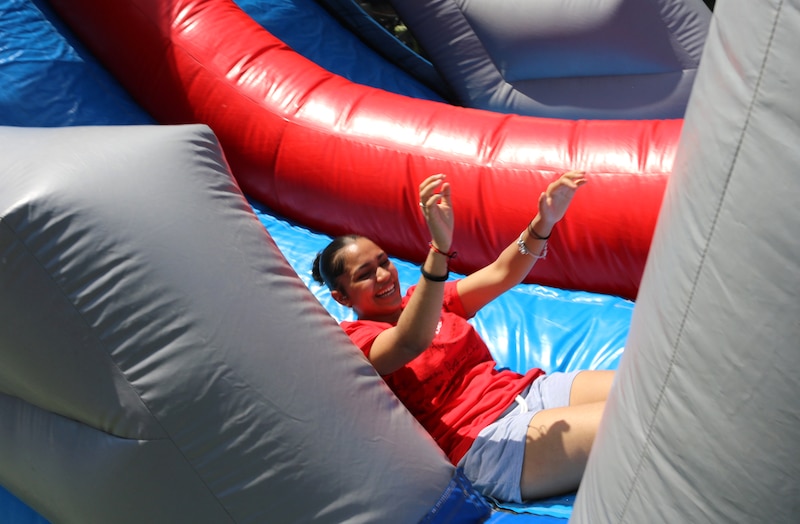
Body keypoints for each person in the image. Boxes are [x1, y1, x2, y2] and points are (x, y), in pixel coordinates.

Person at [311, 171, 613, 503]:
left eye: (384, 262)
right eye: (365, 275)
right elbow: (411, 341)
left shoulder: (424, 296)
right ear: (342, 297)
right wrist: (439, 250)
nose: (384, 275)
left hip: (529, 392)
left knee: (653, 391)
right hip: (484, 440)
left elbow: (502, 273)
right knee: (631, 423)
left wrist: (544, 221)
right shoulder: (356, 341)